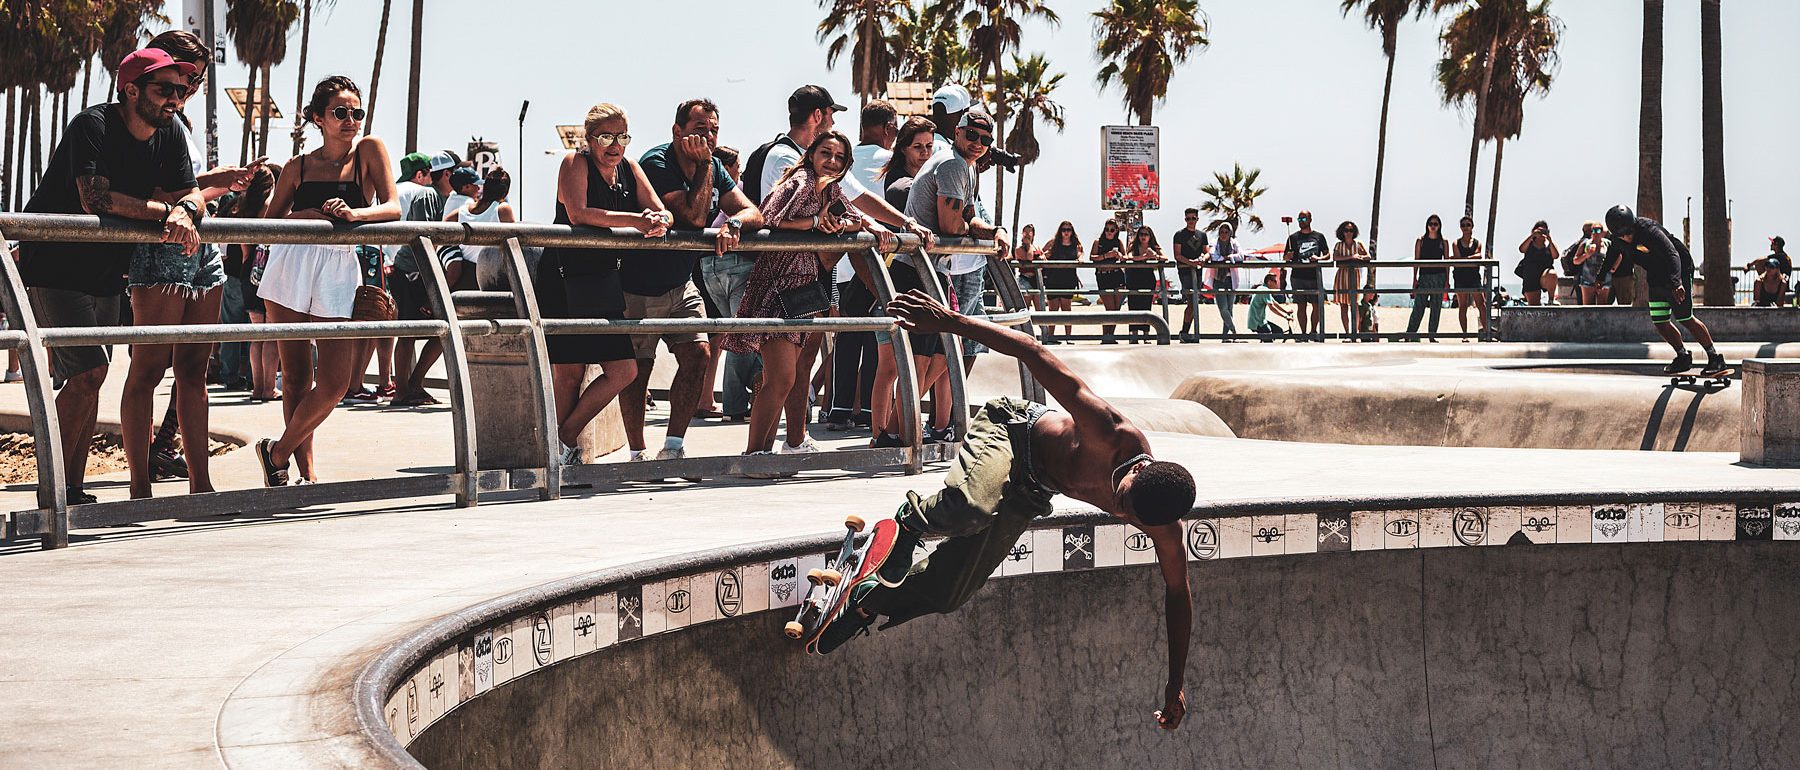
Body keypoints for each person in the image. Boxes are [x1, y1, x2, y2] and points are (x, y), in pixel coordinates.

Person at [817, 289, 1198, 734]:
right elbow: (1032, 352)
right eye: (1122, 497)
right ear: (1136, 471)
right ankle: (910, 523)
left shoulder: (1164, 524)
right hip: (1012, 433)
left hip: (1033, 491)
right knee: (969, 509)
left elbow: (1177, 593)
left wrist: (1175, 684)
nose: (1118, 508)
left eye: (1128, 516)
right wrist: (947, 321)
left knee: (950, 594)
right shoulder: (1108, 429)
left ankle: (868, 603)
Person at [17, 48, 209, 504]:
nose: (176, 99)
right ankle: (54, 491)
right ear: (131, 89)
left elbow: (194, 191)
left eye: (181, 91)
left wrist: (186, 209)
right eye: (165, 90)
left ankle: (70, 489)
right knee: (90, 370)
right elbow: (95, 198)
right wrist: (168, 212)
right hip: (54, 263)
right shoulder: (94, 125)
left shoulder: (171, 134)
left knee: (90, 378)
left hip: (105, 269)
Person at [252, 76, 402, 487]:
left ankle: (276, 451)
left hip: (339, 267)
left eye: (357, 112)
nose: (351, 119)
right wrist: (309, 216)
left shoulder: (369, 150)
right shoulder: (298, 166)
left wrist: (355, 215)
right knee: (296, 376)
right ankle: (301, 472)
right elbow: (270, 223)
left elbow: (392, 208)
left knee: (336, 381)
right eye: (340, 112)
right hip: (291, 264)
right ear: (319, 118)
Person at [721, 132, 894, 475]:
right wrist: (815, 223)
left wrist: (865, 226)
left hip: (801, 294)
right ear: (811, 155)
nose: (831, 160)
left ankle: (762, 454)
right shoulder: (800, 182)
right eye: (825, 153)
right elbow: (767, 218)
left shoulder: (830, 189)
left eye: (839, 157)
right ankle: (753, 455)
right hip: (777, 289)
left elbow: (854, 212)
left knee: (779, 378)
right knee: (781, 379)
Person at [627, 99, 765, 464]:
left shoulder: (715, 166)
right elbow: (689, 216)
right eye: (700, 128)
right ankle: (637, 452)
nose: (708, 136)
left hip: (680, 284)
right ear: (677, 131)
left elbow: (754, 212)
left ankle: (673, 447)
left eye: (714, 129)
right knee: (637, 371)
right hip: (637, 285)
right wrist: (705, 165)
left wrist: (733, 223)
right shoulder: (657, 162)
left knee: (698, 356)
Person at [538, 103, 674, 466]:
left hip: (601, 278)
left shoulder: (630, 168)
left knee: (623, 370)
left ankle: (564, 435)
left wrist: (660, 219)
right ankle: (559, 455)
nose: (615, 145)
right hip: (564, 276)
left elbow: (660, 208)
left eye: (622, 137)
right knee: (568, 372)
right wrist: (637, 221)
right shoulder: (574, 162)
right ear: (590, 138)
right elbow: (578, 213)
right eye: (606, 137)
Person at [901, 105, 1010, 442]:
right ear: (958, 132)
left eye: (985, 139)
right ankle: (898, 433)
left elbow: (968, 218)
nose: (978, 142)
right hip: (920, 271)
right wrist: (969, 229)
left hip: (934, 271)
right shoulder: (953, 164)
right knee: (921, 360)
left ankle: (911, 430)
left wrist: (995, 231)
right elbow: (951, 224)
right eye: (972, 135)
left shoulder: (966, 166)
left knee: (938, 354)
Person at [823, 101, 900, 432]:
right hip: (878, 260)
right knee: (875, 338)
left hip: (842, 264)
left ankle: (838, 408)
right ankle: (869, 410)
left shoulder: (845, 161)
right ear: (888, 129)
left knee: (846, 336)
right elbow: (881, 205)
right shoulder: (891, 162)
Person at [867, 117, 938, 447]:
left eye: (929, 146)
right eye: (917, 147)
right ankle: (879, 433)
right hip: (899, 276)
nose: (924, 153)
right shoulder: (902, 186)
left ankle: (890, 427)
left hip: (908, 277)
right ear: (903, 149)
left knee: (902, 363)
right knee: (890, 364)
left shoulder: (915, 181)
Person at [1603, 205, 1724, 375]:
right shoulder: (1617, 238)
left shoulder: (1649, 230)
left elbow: (1672, 254)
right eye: (1622, 235)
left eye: (1629, 233)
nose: (1627, 237)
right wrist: (1601, 276)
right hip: (1656, 275)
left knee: (1685, 318)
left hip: (1678, 270)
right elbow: (1611, 254)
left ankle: (1715, 358)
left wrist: (1677, 283)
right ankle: (1682, 356)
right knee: (1659, 321)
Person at [388, 150, 460, 407]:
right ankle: (402, 391)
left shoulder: (445, 199)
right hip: (413, 273)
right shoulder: (429, 195)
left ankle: (413, 384)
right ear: (448, 174)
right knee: (407, 332)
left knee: (438, 331)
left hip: (420, 272)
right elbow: (425, 238)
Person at [220, 163, 283, 403]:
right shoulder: (272, 206)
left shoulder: (244, 207)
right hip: (270, 272)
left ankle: (257, 387)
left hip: (248, 272)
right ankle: (268, 387)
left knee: (257, 334)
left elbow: (245, 250)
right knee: (272, 334)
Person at [1282, 210, 1329, 337]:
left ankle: (1313, 331)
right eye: (1299, 220)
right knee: (1301, 306)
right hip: (1298, 277)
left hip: (1314, 276)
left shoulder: (1319, 236)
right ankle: (1303, 333)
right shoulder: (1292, 238)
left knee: (1317, 306)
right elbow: (1285, 258)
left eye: (1303, 219)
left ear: (1310, 220)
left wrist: (1318, 259)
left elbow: (1327, 254)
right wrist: (1288, 256)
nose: (1301, 222)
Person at [1406, 215, 1450, 342]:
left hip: (1439, 277)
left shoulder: (1444, 241)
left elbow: (1446, 261)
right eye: (1431, 223)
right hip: (1424, 276)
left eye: (1436, 224)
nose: (1433, 226)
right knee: (1419, 306)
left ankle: (1432, 335)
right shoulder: (1421, 240)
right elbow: (1416, 261)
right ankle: (1410, 334)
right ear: (1427, 225)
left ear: (1439, 226)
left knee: (1436, 307)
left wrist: (1447, 280)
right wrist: (1414, 278)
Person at [1170, 209, 1209, 342]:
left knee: (1195, 302)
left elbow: (1207, 251)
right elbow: (1177, 255)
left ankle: (1186, 331)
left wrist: (1203, 258)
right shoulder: (1179, 235)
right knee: (1191, 301)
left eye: (1193, 218)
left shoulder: (1202, 235)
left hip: (1197, 272)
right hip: (1185, 272)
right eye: (1188, 219)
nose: (1191, 221)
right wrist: (1190, 262)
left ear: (1197, 219)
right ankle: (1184, 332)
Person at [1331, 220, 1370, 340]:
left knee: (1355, 304)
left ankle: (1355, 332)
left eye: (1351, 231)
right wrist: (1351, 258)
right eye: (1346, 230)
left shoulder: (1358, 244)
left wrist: (1359, 258)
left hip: (1354, 275)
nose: (1348, 233)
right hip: (1342, 275)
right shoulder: (1339, 245)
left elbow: (1368, 256)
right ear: (1342, 232)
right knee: (1343, 305)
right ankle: (1347, 333)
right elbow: (1335, 258)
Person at [1123, 225, 1163, 343]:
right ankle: (1134, 335)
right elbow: (1129, 257)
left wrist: (1155, 256)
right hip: (1134, 278)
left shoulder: (1154, 247)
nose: (1143, 237)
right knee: (1133, 305)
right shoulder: (1133, 246)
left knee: (1146, 306)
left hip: (1148, 278)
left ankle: (1146, 336)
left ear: (1150, 236)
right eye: (1141, 234)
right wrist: (1144, 257)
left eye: (1146, 234)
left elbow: (1164, 257)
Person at [1090, 219, 1127, 343]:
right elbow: (1092, 257)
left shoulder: (1119, 242)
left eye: (1112, 230)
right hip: (1103, 277)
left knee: (1117, 309)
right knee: (1110, 309)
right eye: (1107, 229)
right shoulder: (1098, 242)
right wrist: (1107, 255)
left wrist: (1120, 256)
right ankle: (1105, 335)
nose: (1109, 232)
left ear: (1116, 231)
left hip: (1117, 276)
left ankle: (1111, 336)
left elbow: (1125, 256)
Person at [1451, 216, 1488, 336]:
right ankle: (1464, 334)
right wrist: (1469, 260)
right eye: (1463, 225)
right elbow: (1458, 261)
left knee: (1481, 304)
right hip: (1460, 277)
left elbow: (1479, 256)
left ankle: (1486, 331)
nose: (1465, 227)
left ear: (1472, 226)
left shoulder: (1477, 243)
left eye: (1468, 225)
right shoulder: (1456, 243)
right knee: (1463, 306)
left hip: (1474, 277)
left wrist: (1464, 259)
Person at [1208, 223, 1245, 340]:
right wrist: (1223, 258)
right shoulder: (1215, 243)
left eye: (1226, 232)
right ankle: (1234, 331)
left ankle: (1225, 336)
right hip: (1219, 278)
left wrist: (1230, 257)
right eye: (1221, 232)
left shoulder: (1234, 243)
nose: (1223, 235)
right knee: (1223, 308)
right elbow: (1213, 255)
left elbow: (1241, 256)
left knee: (1230, 308)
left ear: (1230, 233)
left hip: (1231, 279)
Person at [1516, 220, 1558, 305]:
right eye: (1540, 231)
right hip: (1530, 277)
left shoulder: (1549, 246)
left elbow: (1556, 255)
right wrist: (1532, 236)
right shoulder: (1530, 244)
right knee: (1534, 306)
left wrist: (1550, 239)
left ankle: (1551, 300)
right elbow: (1521, 249)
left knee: (1552, 274)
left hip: (1544, 276)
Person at [1571, 221, 1613, 306]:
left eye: (1598, 230)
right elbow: (1575, 260)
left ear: (1602, 232)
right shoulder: (1586, 244)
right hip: (1588, 279)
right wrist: (1586, 255)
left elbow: (1618, 255)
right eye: (1593, 230)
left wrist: (1613, 268)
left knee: (1602, 306)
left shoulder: (1607, 244)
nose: (1595, 233)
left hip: (1604, 279)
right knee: (1588, 307)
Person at [1743, 236, 1791, 307]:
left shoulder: (1780, 256)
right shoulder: (1785, 257)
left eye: (1772, 243)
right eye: (1767, 267)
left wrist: (1749, 265)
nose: (1770, 244)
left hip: (1779, 286)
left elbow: (1760, 260)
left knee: (1758, 264)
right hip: (1774, 282)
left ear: (1776, 245)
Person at [1248, 271, 1294, 341]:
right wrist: (1285, 316)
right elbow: (1272, 308)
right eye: (1275, 281)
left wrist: (1286, 311)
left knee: (1279, 331)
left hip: (1257, 320)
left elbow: (1274, 303)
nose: (1277, 284)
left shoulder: (1262, 288)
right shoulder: (1266, 291)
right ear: (1269, 282)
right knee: (1269, 338)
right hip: (1257, 322)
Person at [1013, 224, 1041, 310]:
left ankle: (1042, 323)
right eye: (1025, 232)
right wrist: (1028, 245)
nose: (1028, 234)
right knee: (1025, 308)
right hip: (1025, 279)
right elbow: (1029, 258)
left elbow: (1044, 259)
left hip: (1037, 279)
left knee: (1040, 308)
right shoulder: (1019, 248)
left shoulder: (1037, 247)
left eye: (1030, 232)